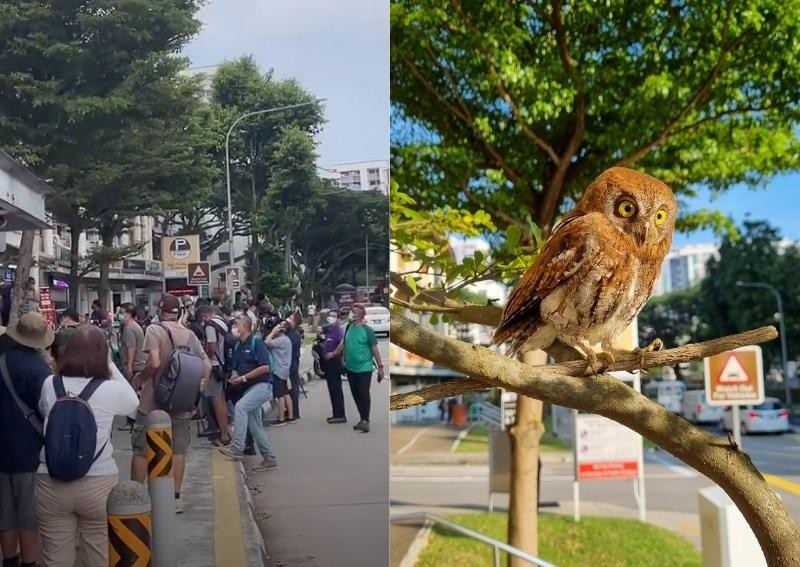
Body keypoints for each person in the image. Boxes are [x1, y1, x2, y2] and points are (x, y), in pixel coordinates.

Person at [35, 325, 139, 567]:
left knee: (54, 558)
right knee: (98, 555)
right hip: (98, 482)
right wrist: (110, 365)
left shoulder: (51, 384)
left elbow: (44, 410)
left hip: (50, 481)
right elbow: (133, 403)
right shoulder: (110, 389)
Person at [130, 294, 210, 513]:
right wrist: (199, 386)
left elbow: (154, 362)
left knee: (140, 450)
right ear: (180, 312)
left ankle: (136, 498)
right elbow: (206, 363)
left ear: (160, 310)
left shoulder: (154, 330)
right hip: (181, 400)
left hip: (153, 400)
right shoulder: (190, 334)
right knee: (178, 449)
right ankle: (175, 498)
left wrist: (140, 378)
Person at [0, 313, 54, 567]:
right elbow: (48, 408)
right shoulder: (40, 368)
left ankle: (9, 559)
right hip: (30, 449)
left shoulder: (1, 361)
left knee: (5, 514)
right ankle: (30, 562)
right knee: (28, 514)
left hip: (1, 449)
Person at [218, 316, 277, 471]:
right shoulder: (238, 345)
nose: (234, 328)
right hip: (249, 388)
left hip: (262, 385)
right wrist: (235, 376)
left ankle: (237, 449)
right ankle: (269, 458)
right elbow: (236, 367)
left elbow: (265, 367)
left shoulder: (256, 343)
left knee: (240, 407)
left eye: (236, 324)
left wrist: (244, 377)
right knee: (255, 425)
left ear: (244, 326)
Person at [326, 304, 384, 433]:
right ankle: (362, 418)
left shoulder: (367, 330)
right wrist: (334, 353)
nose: (351, 313)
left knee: (363, 393)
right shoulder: (349, 327)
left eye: (354, 312)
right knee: (356, 394)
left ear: (360, 315)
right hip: (350, 367)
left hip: (365, 367)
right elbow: (344, 343)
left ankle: (365, 420)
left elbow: (374, 348)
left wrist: (380, 367)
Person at [197, 305, 231, 446]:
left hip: (215, 366)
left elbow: (212, 346)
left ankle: (223, 435)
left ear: (205, 316)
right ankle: (225, 430)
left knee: (217, 401)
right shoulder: (222, 322)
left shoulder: (210, 326)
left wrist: (206, 357)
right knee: (221, 399)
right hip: (223, 365)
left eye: (202, 320)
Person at [119, 303, 147, 431]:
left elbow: (131, 348)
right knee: (137, 393)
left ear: (129, 313)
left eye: (122, 312)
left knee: (132, 394)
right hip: (140, 364)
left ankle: (132, 421)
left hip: (135, 365)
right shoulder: (136, 326)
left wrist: (129, 366)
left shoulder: (129, 328)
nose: (119, 315)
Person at [264, 320, 294, 425]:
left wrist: (272, 332)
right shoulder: (286, 340)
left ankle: (281, 418)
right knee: (285, 393)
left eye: (279, 326)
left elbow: (266, 342)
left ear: (283, 329)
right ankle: (290, 416)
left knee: (279, 395)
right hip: (284, 370)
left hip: (278, 370)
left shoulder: (281, 340)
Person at [321, 311, 346, 424]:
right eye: (329, 316)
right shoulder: (329, 329)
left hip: (334, 362)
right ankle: (336, 414)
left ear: (339, 319)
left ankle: (340, 414)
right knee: (332, 389)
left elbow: (342, 342)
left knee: (336, 389)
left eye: (334, 316)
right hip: (328, 363)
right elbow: (316, 329)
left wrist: (334, 353)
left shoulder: (338, 330)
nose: (331, 318)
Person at [286, 312, 303, 421]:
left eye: (291, 319)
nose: (288, 320)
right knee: (290, 388)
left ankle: (294, 412)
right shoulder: (290, 333)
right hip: (290, 362)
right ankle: (290, 410)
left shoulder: (294, 334)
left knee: (293, 388)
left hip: (292, 363)